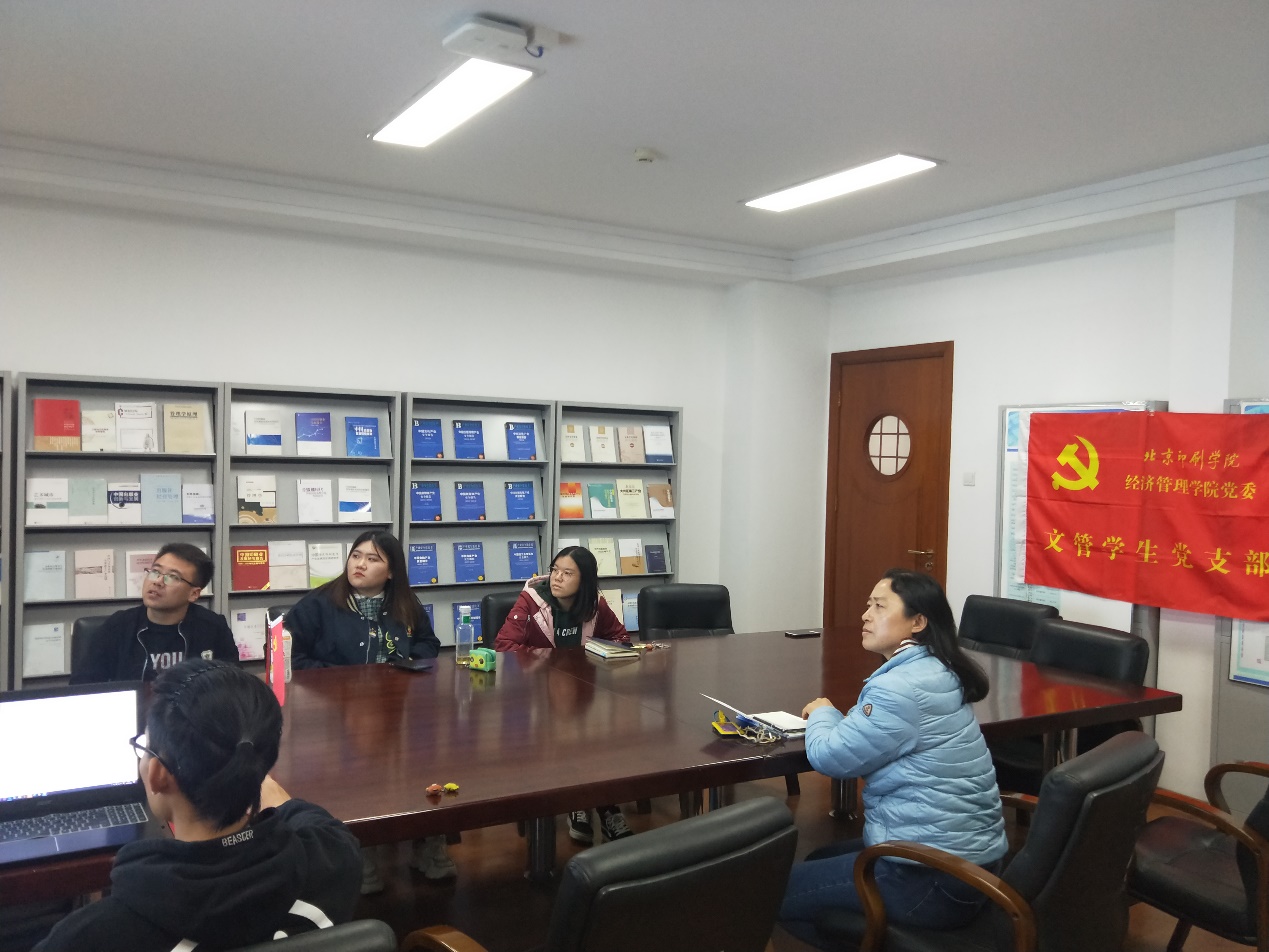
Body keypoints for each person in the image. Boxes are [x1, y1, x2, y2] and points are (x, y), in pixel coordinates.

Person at [34, 659, 361, 951]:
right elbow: (322, 825)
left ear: (158, 775)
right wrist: (281, 801)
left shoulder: (91, 936)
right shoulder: (335, 860)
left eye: (144, 747)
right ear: (260, 767)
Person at [777, 569, 1007, 948]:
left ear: (918, 622)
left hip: (931, 879)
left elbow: (830, 757)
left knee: (772, 894)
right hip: (971, 865)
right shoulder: (936, 668)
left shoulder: (900, 687)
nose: (865, 615)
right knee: (818, 858)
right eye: (868, 605)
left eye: (880, 607)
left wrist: (822, 712)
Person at [282, 530, 448, 889]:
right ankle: (362, 848)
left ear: (391, 571)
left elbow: (428, 643)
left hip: (396, 709)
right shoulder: (319, 603)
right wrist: (342, 680)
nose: (360, 564)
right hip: (333, 714)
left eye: (373, 559)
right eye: (356, 556)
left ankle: (428, 839)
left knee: (428, 759)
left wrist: (403, 666)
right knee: (355, 773)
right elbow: (290, 657)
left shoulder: (405, 603)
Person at [494, 545, 635, 845]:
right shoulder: (531, 599)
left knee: (601, 739)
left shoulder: (594, 604)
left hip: (584, 695)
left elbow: (621, 639)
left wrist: (597, 657)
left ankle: (605, 806)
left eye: (567, 573)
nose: (557, 578)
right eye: (555, 570)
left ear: (585, 581)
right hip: (538, 700)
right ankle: (578, 804)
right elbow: (505, 647)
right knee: (568, 739)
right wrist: (548, 664)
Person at [71, 542, 238, 684]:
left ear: (194, 594)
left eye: (173, 577)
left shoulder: (213, 627)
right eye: (155, 572)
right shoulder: (118, 627)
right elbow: (83, 688)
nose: (158, 581)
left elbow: (232, 686)